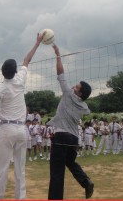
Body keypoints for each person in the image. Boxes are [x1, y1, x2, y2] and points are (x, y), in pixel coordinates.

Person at [0, 32, 44, 199]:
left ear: (2, 72)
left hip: (6, 130)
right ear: (15, 71)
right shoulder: (20, 79)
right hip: (22, 130)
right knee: (20, 170)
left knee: (1, 169)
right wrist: (37, 43)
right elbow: (27, 60)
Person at [46, 44, 94, 200]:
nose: (73, 86)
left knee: (57, 172)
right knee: (70, 163)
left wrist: (58, 55)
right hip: (74, 139)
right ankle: (86, 181)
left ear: (79, 92)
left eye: (76, 87)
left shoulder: (68, 94)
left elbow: (61, 73)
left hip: (61, 137)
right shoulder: (83, 105)